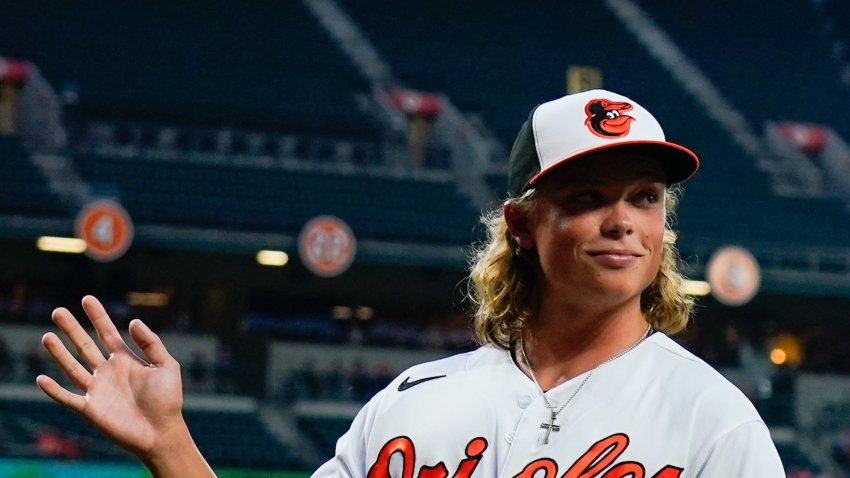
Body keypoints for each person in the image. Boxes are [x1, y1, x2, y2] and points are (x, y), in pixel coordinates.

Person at [35, 89, 785, 477]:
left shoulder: (712, 421)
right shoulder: (410, 404)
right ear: (522, 227)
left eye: (644, 197)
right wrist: (169, 444)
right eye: (587, 198)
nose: (624, 221)